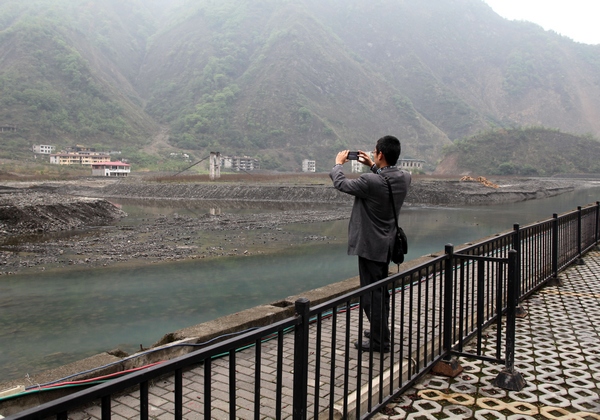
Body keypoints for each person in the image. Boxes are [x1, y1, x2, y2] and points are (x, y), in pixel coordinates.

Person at [330, 135, 411, 353]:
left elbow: (341, 183)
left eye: (376, 152)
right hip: (387, 244)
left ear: (381, 154)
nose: (374, 154)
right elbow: (386, 179)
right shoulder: (405, 177)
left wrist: (339, 164)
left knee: (370, 294)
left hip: (370, 245)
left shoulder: (370, 181)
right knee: (381, 291)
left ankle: (380, 341)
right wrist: (374, 166)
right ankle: (380, 331)